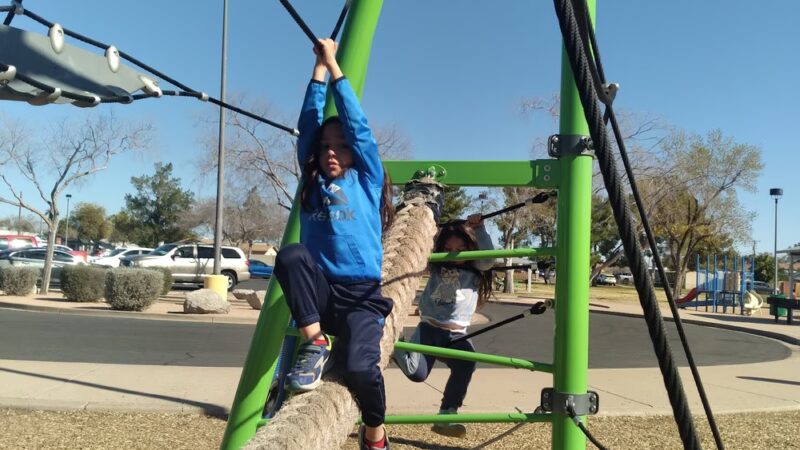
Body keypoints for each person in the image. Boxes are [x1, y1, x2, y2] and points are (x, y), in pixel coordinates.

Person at [272, 38, 395, 450]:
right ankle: (316, 342)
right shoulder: (312, 183)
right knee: (290, 256)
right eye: (326, 146)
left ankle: (375, 429)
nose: (332, 152)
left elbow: (358, 128)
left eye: (341, 146)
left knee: (362, 369)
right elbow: (308, 124)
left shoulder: (366, 179)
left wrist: (334, 67)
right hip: (322, 295)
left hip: (361, 298)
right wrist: (317, 74)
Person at [393, 214, 495, 438]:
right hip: (429, 330)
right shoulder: (437, 264)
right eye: (448, 247)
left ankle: (447, 413)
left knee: (467, 362)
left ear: (470, 248)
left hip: (456, 335)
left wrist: (479, 229)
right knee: (416, 374)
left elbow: (488, 259)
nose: (454, 253)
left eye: (460, 248)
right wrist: (427, 228)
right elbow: (421, 253)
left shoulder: (474, 268)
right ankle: (396, 344)